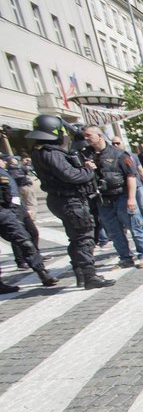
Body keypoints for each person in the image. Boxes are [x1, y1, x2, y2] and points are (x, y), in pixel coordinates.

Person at [27, 116, 114, 289]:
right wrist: (88, 171)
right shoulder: (51, 153)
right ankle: (89, 276)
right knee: (84, 238)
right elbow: (71, 176)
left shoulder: (40, 151)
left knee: (76, 238)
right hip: (69, 200)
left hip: (61, 199)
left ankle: (81, 274)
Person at [82, 125, 143, 269]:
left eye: (89, 135)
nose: (86, 138)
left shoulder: (119, 154)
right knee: (114, 231)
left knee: (135, 227)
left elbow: (131, 176)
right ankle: (125, 257)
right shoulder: (85, 155)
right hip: (102, 199)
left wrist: (131, 198)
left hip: (122, 196)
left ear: (99, 136)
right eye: (85, 136)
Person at [0, 159, 57, 291]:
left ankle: (42, 273)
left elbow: (11, 194)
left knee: (26, 242)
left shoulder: (3, 173)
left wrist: (16, 213)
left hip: (5, 213)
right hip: (7, 213)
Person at [110, 136, 143, 238]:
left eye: (117, 143)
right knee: (130, 212)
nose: (115, 145)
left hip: (138, 186)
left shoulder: (132, 156)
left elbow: (141, 170)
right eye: (113, 144)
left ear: (122, 143)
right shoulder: (111, 157)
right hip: (123, 189)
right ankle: (136, 231)